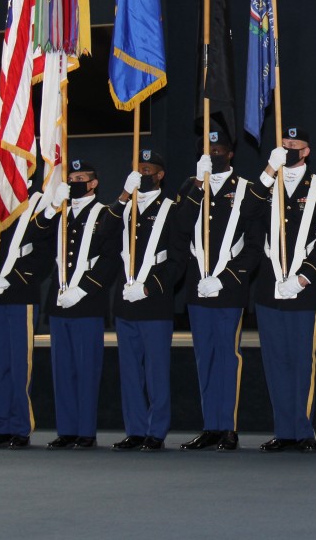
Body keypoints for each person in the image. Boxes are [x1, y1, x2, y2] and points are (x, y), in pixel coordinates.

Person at [175, 129, 268, 451]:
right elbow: (181, 227)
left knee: (226, 358)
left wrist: (227, 278)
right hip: (197, 287)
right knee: (205, 358)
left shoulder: (246, 191)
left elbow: (255, 247)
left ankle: (227, 427)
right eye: (207, 149)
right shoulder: (191, 187)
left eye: (218, 150)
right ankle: (210, 426)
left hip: (228, 289)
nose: (212, 154)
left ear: (229, 154)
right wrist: (199, 184)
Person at [254, 127, 316, 453]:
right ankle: (283, 431)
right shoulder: (266, 186)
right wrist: (267, 172)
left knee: (302, 361)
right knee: (275, 362)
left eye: (294, 146)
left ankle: (303, 431)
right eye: (284, 145)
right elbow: (247, 213)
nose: (288, 150)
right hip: (268, 289)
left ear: (306, 152)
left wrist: (304, 277)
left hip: (304, 290)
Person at [32, 159, 121, 450]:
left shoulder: (106, 214)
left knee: (86, 369)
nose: (75, 181)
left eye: (81, 177)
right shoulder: (61, 214)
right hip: (59, 303)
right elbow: (36, 235)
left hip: (86, 302)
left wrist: (83, 290)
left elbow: (109, 260)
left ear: (93, 183)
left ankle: (86, 431)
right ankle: (66, 429)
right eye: (71, 177)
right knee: (62, 370)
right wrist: (50, 207)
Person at [108, 150, 186, 452]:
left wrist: (150, 288)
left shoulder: (171, 209)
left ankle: (156, 430)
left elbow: (178, 260)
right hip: (126, 300)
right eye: (138, 168)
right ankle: (135, 429)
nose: (143, 173)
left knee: (156, 371)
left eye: (148, 169)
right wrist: (124, 196)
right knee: (129, 371)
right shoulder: (124, 208)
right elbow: (104, 233)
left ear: (160, 174)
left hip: (154, 302)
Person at [0, 185, 55, 449]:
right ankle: (0, 426)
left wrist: (14, 281)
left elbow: (43, 254)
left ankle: (19, 427)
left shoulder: (37, 205)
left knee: (19, 365)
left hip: (20, 295)